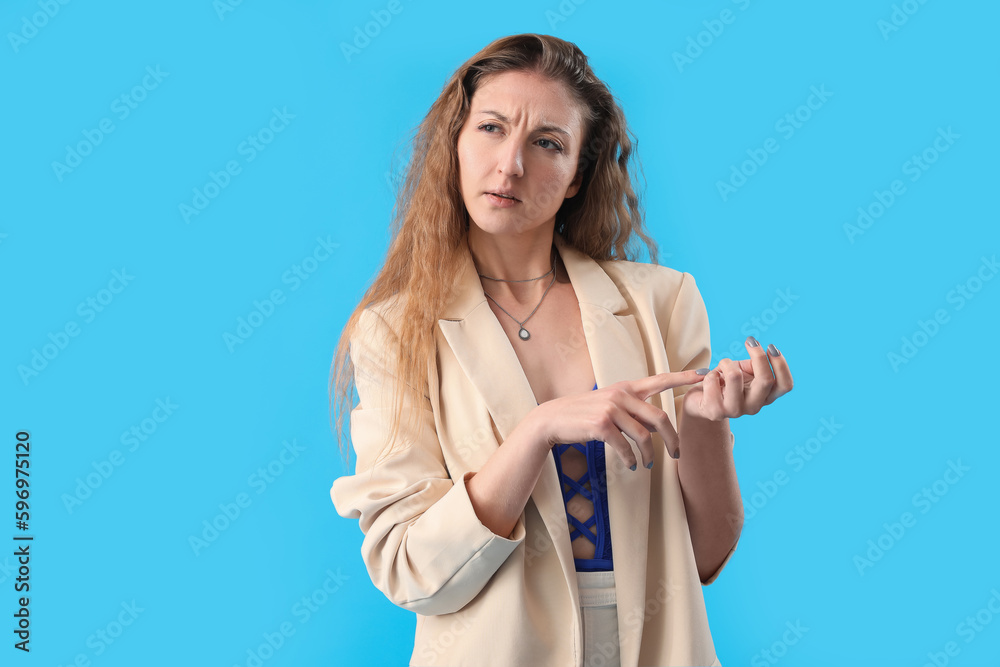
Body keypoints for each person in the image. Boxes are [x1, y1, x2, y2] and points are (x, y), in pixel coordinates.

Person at [329, 33, 793, 667]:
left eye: (547, 143)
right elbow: (411, 571)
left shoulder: (662, 303)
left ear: (578, 175)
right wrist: (540, 429)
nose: (510, 164)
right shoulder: (395, 330)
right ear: (455, 146)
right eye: (491, 128)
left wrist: (707, 423)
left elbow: (704, 554)